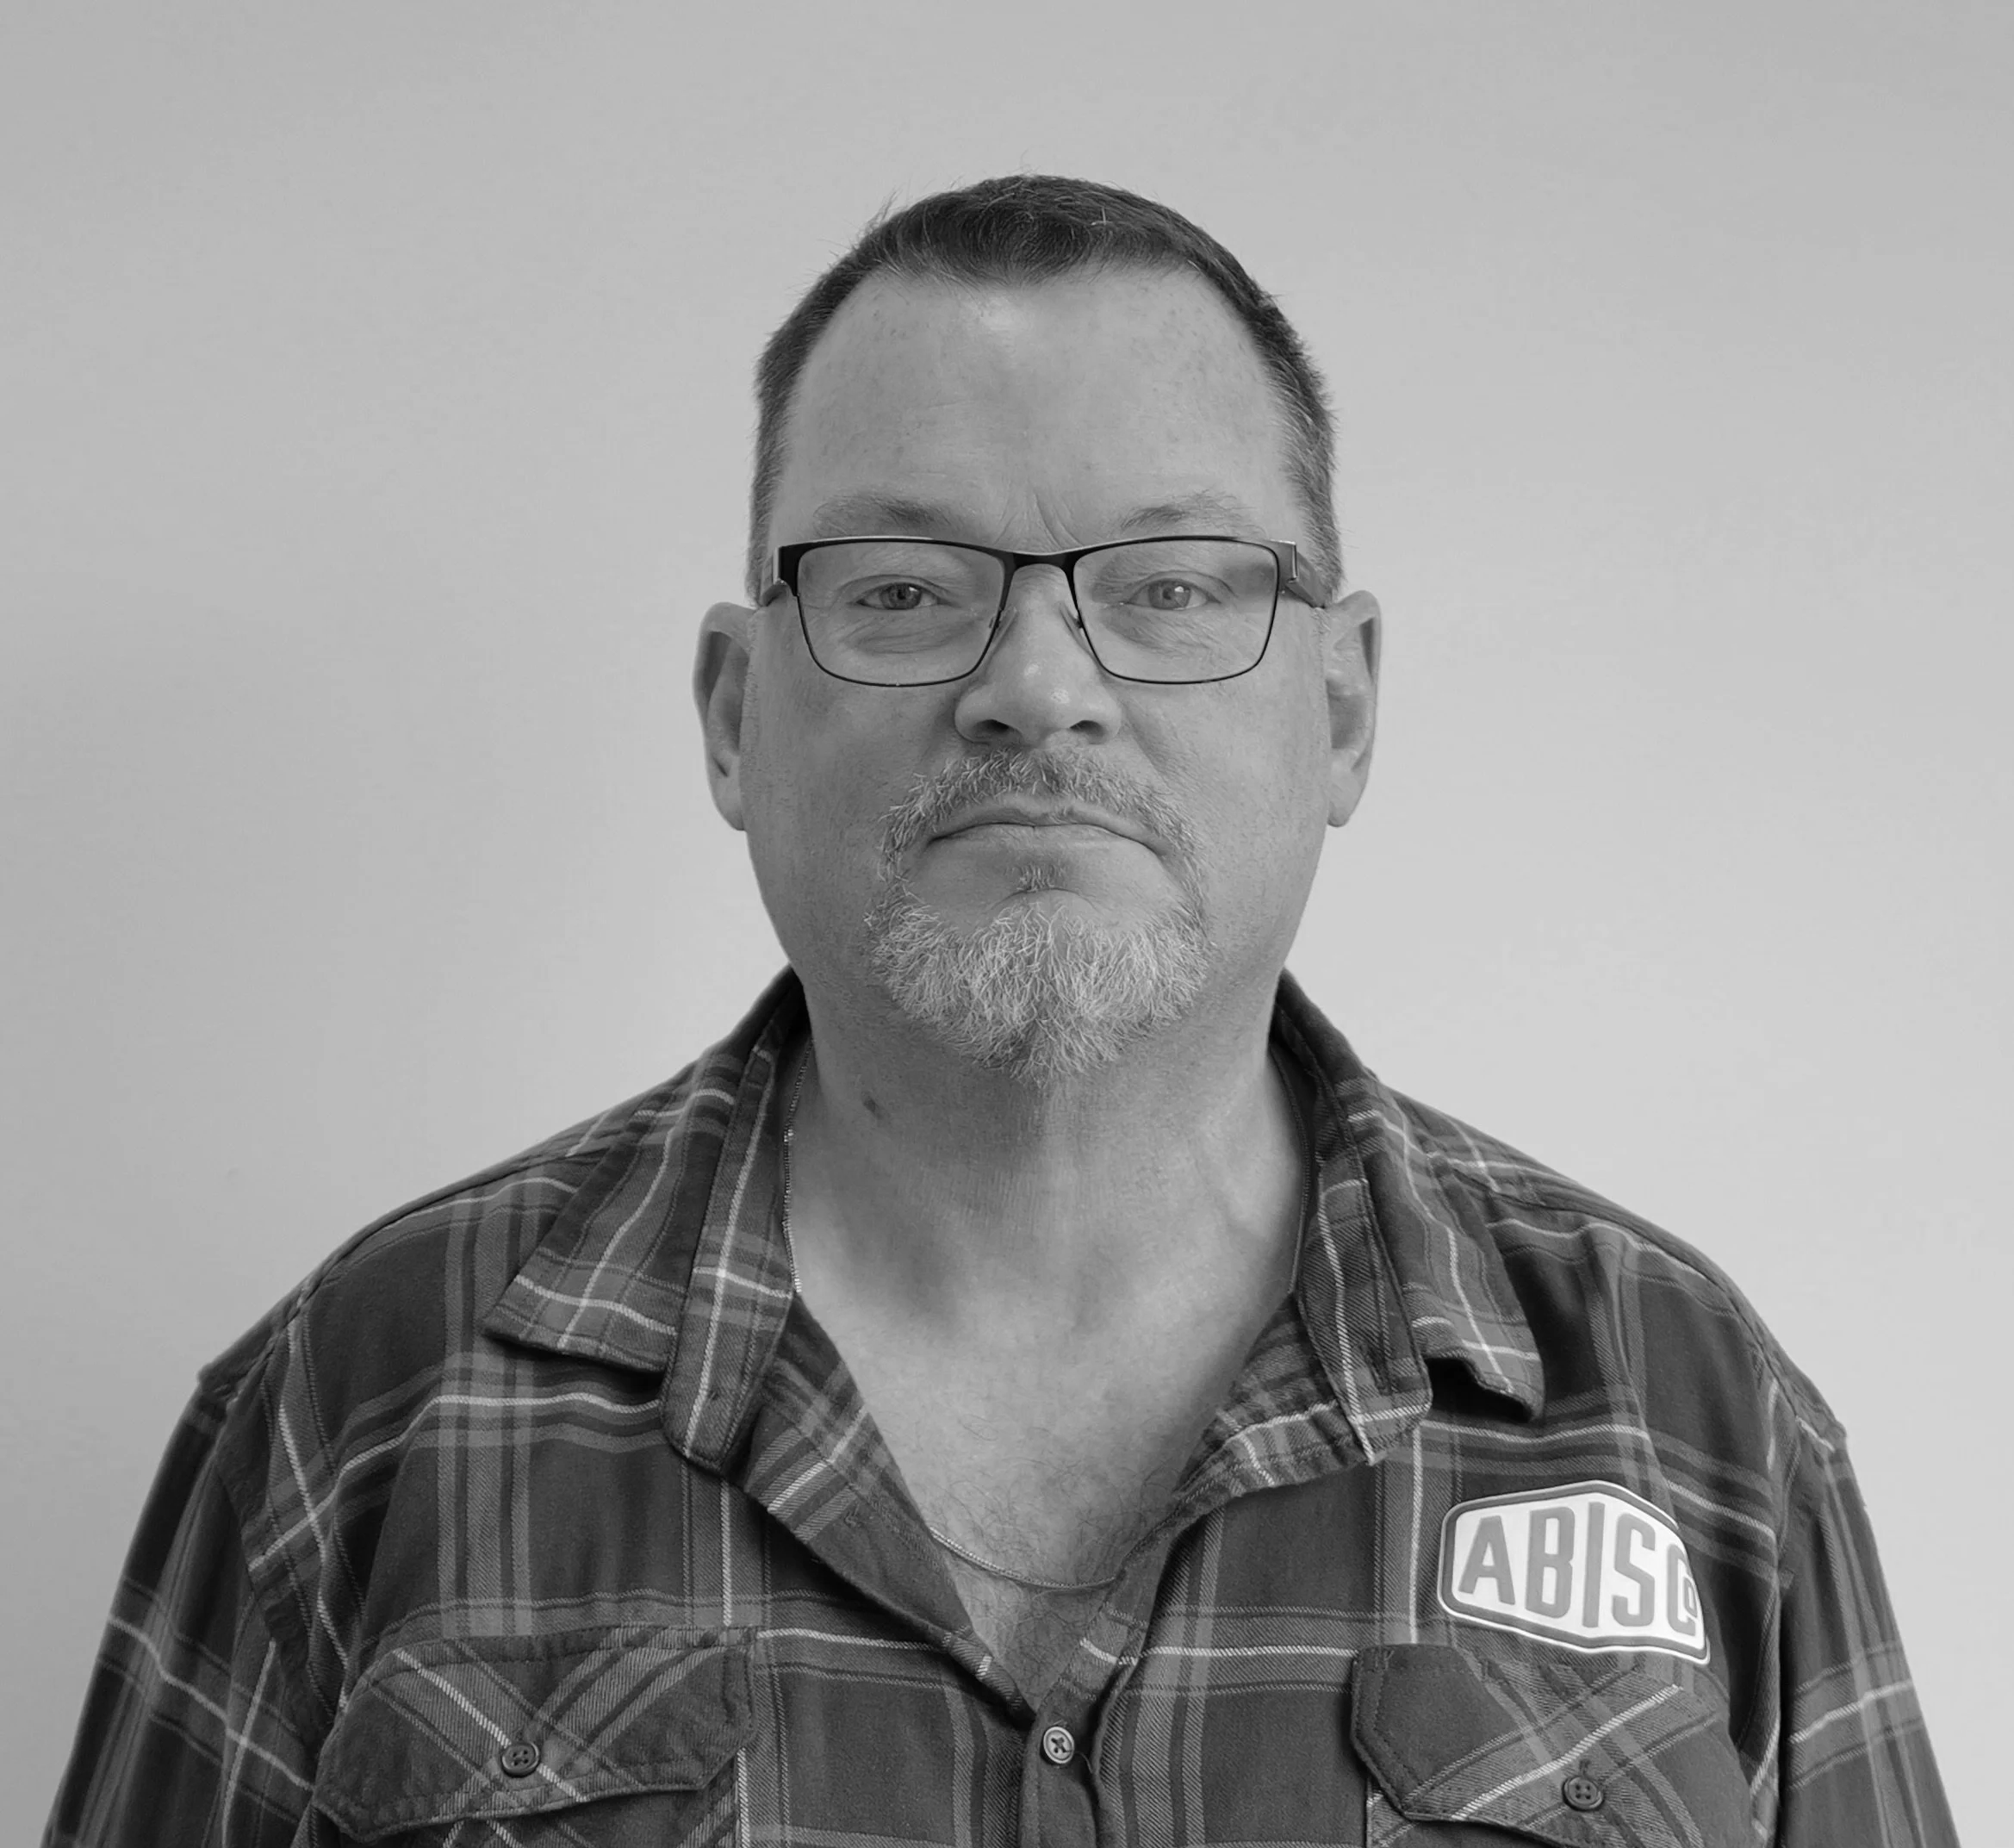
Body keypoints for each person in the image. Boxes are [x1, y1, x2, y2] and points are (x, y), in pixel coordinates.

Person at [46, 174, 1955, 1848]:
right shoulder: (361, 1411)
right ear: (732, 714)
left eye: (1173, 583)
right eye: (897, 589)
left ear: (1345, 706)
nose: (1038, 685)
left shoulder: (1683, 1419)